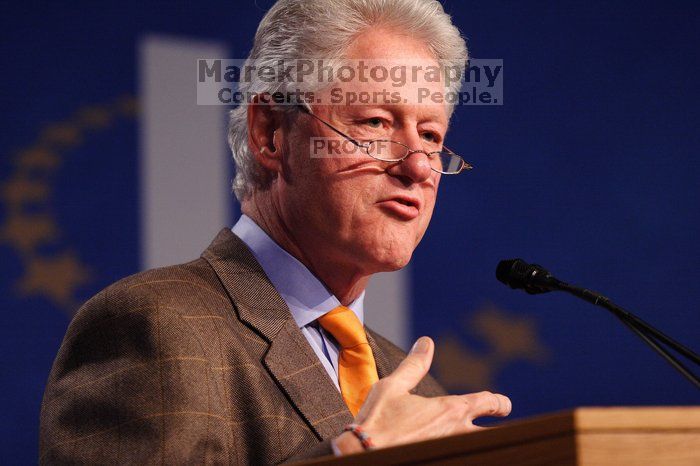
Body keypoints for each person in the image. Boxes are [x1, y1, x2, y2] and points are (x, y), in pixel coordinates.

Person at [39, 0, 511, 464]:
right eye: (375, 123)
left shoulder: (417, 395)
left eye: (430, 136)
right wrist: (358, 453)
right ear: (270, 133)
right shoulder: (157, 325)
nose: (417, 166)